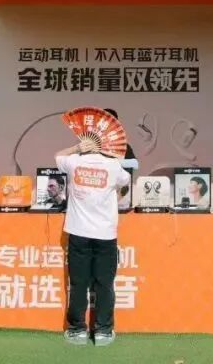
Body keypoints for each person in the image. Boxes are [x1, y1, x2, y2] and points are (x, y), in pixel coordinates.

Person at [55, 136, 132, 347]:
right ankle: (103, 331)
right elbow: (126, 180)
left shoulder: (73, 161)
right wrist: (112, 157)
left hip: (78, 232)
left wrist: (76, 148)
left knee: (78, 282)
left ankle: (77, 330)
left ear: (85, 140)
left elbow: (58, 156)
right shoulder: (113, 166)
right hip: (105, 234)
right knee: (105, 283)